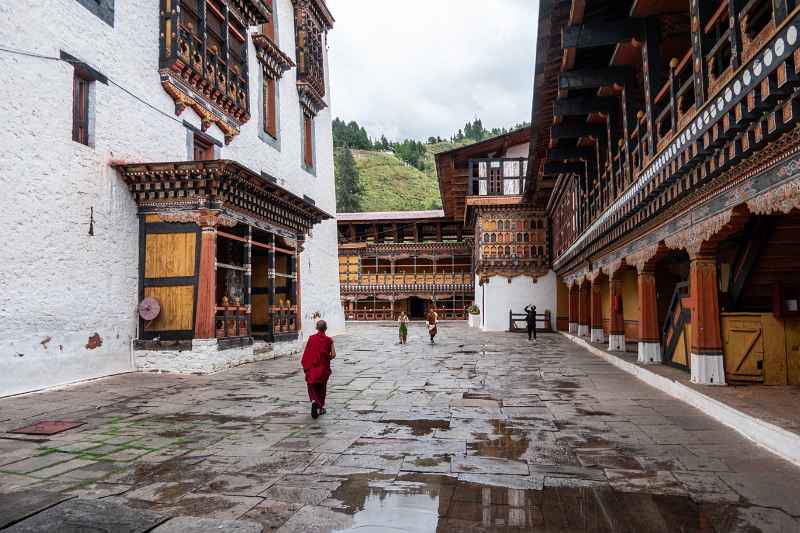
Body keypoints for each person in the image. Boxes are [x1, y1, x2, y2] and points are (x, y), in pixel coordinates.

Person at [300, 320, 336, 419]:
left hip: (312, 368)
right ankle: (320, 408)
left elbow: (307, 354)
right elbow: (333, 355)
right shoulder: (329, 340)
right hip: (323, 368)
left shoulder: (311, 339)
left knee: (311, 385)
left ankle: (314, 401)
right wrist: (325, 359)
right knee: (322, 388)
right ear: (326, 328)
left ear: (316, 328)